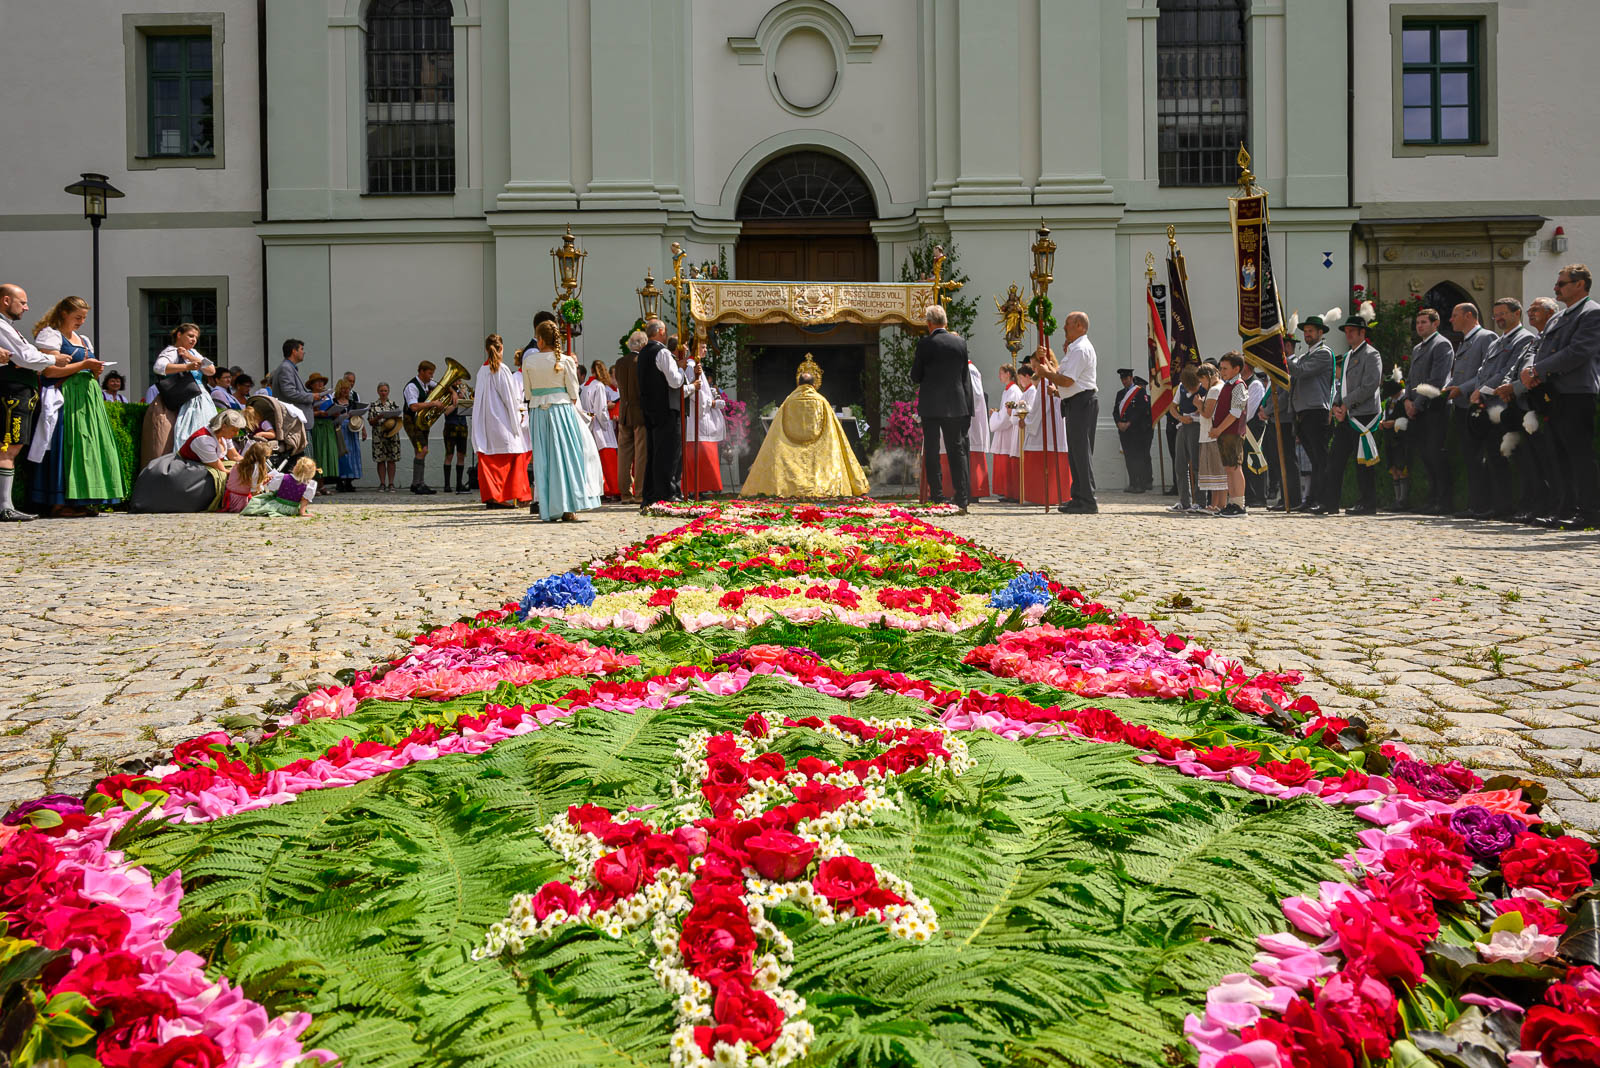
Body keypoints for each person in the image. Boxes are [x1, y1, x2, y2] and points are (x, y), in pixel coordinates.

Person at [27, 296, 121, 518]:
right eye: (77, 317)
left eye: (84, 318)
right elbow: (48, 370)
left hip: (87, 398)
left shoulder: (84, 339)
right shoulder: (50, 335)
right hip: (65, 396)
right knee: (67, 444)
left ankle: (82, 500)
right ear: (63, 314)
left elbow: (84, 367)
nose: (81, 321)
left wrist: (94, 371)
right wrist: (84, 365)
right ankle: (59, 502)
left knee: (86, 448)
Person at [1522, 263, 1600, 530]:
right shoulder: (1559, 317)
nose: (1556, 288)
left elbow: (1579, 352)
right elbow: (1538, 344)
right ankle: (1565, 508)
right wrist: (1528, 369)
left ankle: (1589, 511)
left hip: (1577, 393)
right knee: (1559, 455)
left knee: (1579, 454)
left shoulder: (1592, 313)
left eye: (1562, 283)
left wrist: (1539, 369)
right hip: (1554, 394)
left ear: (1580, 285)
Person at [740, 359, 869, 498]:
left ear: (799, 383)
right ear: (814, 384)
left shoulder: (788, 401)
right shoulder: (822, 401)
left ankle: (787, 489)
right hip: (817, 447)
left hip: (789, 447)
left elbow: (776, 427)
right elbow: (833, 427)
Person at [1, 284, 75, 521]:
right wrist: (52, 358)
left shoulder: (8, 327)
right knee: (8, 448)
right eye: (22, 302)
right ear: (5, 300)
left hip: (19, 392)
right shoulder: (2, 326)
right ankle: (5, 506)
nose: (26, 307)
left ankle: (6, 505)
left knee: (10, 448)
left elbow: (26, 356)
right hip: (12, 392)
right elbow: (25, 357)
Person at [524, 319, 600, 521]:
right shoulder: (565, 361)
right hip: (562, 410)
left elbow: (528, 392)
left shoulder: (529, 361)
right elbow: (574, 393)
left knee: (545, 460)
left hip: (539, 412)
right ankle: (569, 507)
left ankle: (548, 508)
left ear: (539, 340)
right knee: (566, 458)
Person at [1468, 298, 1536, 519]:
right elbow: (1483, 370)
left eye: (1503, 314)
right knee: (1494, 458)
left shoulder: (1524, 338)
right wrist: (1478, 390)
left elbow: (1507, 370)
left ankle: (1521, 506)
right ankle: (1499, 506)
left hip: (1506, 406)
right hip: (1488, 406)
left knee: (1516, 459)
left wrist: (1483, 390)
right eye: (1495, 314)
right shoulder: (1496, 342)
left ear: (1517, 314)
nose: (1498, 318)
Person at [1497, 297, 1559, 523]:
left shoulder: (1548, 338)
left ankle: (1550, 506)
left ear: (1551, 313)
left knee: (1547, 460)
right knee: (1528, 460)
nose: (1530, 313)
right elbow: (1515, 368)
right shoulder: (1535, 340)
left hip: (1538, 404)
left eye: (1536, 310)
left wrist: (1512, 387)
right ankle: (1533, 504)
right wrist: (1507, 385)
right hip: (1520, 405)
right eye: (1530, 310)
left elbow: (1536, 372)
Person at [910, 305, 974, 512]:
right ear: (946, 322)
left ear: (929, 323)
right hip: (956, 403)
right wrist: (967, 406)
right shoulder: (960, 342)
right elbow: (965, 375)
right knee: (957, 450)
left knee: (932, 449)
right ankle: (962, 496)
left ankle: (937, 496)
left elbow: (915, 376)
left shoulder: (925, 344)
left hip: (931, 404)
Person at [1034, 311, 1099, 513]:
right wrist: (1046, 362)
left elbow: (1068, 380)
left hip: (1082, 402)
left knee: (1081, 452)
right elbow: (1062, 375)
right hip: (1075, 401)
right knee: (1075, 452)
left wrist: (1046, 373)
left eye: (1068, 324)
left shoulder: (1080, 349)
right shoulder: (1074, 349)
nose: (1064, 328)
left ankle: (1087, 500)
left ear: (1079, 325)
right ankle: (1078, 495)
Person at [1318, 312, 1383, 516]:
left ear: (1362, 333)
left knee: (1363, 462)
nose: (1348, 335)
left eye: (1352, 331)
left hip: (1363, 415)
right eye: (1346, 331)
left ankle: (1368, 502)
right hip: (1346, 415)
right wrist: (1337, 404)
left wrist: (1345, 404)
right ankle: (1330, 503)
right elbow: (1342, 386)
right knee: (1335, 460)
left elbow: (1370, 385)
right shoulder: (1347, 357)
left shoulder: (1372, 355)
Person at [1443, 302, 1494, 517]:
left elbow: (1487, 372)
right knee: (1470, 457)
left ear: (1469, 315)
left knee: (1479, 457)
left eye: (1455, 315)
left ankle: (1482, 505)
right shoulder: (1467, 340)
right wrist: (1450, 387)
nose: (1451, 319)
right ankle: (1474, 504)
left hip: (1477, 404)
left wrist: (1461, 388)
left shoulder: (1486, 337)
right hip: (1463, 405)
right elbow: (1461, 372)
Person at [472, 334, 532, 509]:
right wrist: (517, 421)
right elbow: (510, 399)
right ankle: (511, 495)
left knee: (489, 460)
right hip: (502, 421)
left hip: (486, 422)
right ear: (501, 348)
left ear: (486, 349)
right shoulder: (502, 369)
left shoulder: (482, 371)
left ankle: (492, 497)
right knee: (516, 454)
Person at [1404, 308, 1454, 514]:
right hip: (1417, 408)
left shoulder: (1441, 344)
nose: (1419, 326)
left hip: (1434, 407)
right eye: (1417, 323)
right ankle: (1431, 498)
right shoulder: (1418, 348)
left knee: (1436, 454)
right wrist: (1407, 399)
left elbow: (1437, 379)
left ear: (1435, 324)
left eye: (1424, 322)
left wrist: (1417, 404)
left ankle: (1443, 500)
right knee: (1425, 455)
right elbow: (1410, 378)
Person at [146, 323, 218, 465]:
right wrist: (186, 366)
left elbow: (211, 370)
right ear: (179, 335)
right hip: (186, 398)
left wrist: (190, 358)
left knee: (208, 433)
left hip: (202, 398)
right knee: (189, 433)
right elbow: (159, 367)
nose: (193, 340)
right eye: (190, 336)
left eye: (196, 338)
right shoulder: (172, 351)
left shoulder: (194, 353)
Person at [1288, 315, 1334, 513]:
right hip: (1304, 411)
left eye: (1311, 331)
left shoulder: (1323, 353)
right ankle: (1312, 498)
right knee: (1314, 460)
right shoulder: (1307, 355)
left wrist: (1285, 357)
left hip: (1317, 410)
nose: (1307, 334)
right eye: (1305, 331)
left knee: (1320, 459)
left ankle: (1324, 500)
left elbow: (1300, 371)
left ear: (1320, 333)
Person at [636, 319, 684, 507]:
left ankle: (650, 493)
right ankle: (667, 492)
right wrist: (681, 367)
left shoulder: (643, 353)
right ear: (661, 332)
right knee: (668, 452)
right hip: (665, 408)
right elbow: (674, 381)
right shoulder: (662, 352)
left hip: (649, 408)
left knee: (654, 453)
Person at [1014, 361, 1070, 506]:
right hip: (1049, 423)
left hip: (1046, 426)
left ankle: (1044, 496)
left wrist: (1027, 421)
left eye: (1035, 365)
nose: (1033, 369)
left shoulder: (1046, 381)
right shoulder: (1051, 380)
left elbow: (1040, 407)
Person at [1208, 353, 1249, 517]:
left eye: (1225, 368)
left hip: (1232, 433)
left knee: (1234, 467)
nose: (1221, 371)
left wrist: (1219, 429)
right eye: (1221, 368)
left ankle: (1239, 504)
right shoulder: (1227, 385)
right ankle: (1232, 502)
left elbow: (1235, 412)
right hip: (1224, 433)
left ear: (1236, 368)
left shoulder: (1239, 385)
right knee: (1228, 468)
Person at [682, 355, 727, 496]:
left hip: (704, 419)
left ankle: (703, 488)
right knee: (699, 455)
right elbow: (695, 392)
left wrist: (713, 396)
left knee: (706, 454)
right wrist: (712, 403)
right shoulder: (690, 366)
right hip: (697, 417)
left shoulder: (697, 364)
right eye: (702, 346)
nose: (706, 349)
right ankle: (695, 489)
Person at [402, 360, 447, 495]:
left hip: (421, 422)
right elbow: (413, 406)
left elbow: (442, 386)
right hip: (412, 421)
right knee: (423, 450)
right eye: (429, 373)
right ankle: (419, 483)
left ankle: (416, 483)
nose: (431, 376)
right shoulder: (412, 386)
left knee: (420, 451)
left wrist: (453, 392)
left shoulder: (427, 383)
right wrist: (433, 403)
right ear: (421, 371)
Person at [613, 330, 648, 504]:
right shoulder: (641, 361)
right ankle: (640, 492)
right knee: (641, 454)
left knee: (624, 455)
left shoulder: (620, 362)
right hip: (640, 412)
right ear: (642, 344)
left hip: (624, 411)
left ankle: (625, 493)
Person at [581, 358, 620, 500]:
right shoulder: (599, 386)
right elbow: (601, 410)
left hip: (589, 424)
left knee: (594, 462)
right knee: (609, 461)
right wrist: (606, 422)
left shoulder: (585, 385)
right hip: (600, 427)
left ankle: (601, 489)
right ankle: (615, 489)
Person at [1113, 367, 1154, 493]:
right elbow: (1115, 411)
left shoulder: (1140, 392)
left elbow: (1141, 410)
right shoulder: (1120, 394)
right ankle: (1132, 482)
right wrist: (1118, 422)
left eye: (1126, 378)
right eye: (1122, 379)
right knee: (1129, 458)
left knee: (1138, 457)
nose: (1124, 381)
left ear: (1131, 378)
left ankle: (1141, 484)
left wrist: (1129, 422)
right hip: (1125, 432)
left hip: (1137, 430)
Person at [1167, 365, 1202, 513]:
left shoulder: (1204, 388)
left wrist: (1198, 410)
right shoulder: (1181, 387)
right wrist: (1180, 417)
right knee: (1180, 464)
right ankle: (1184, 501)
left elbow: (1208, 408)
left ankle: (1200, 500)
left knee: (1197, 465)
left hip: (1198, 426)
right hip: (1182, 426)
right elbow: (1172, 407)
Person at [1194, 363, 1226, 513]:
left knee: (1217, 472)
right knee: (1214, 474)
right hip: (1209, 435)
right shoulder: (1217, 388)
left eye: (1202, 380)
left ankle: (1218, 505)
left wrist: (1199, 405)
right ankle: (1214, 504)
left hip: (1211, 436)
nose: (1202, 384)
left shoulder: (1214, 390)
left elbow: (1207, 413)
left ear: (1209, 376)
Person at [241, 456, 319, 517]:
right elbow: (304, 500)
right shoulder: (309, 485)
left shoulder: (283, 477)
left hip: (276, 506)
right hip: (292, 509)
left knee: (257, 502)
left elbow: (272, 490)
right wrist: (302, 512)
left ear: (296, 467)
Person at [988, 364, 1021, 502]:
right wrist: (997, 414)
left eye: (1001, 373)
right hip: (1004, 429)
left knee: (1008, 461)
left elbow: (1008, 414)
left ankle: (1011, 492)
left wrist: (995, 417)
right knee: (1003, 460)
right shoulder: (1007, 390)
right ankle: (1005, 491)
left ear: (1008, 373)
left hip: (1008, 430)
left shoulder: (1013, 390)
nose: (999, 376)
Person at [1378, 376, 1411, 512]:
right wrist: (1383, 423)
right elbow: (1386, 416)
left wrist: (1395, 422)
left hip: (1400, 438)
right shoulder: (1389, 401)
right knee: (1393, 469)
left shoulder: (1404, 400)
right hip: (1389, 438)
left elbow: (1407, 418)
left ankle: (1403, 500)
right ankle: (1397, 499)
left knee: (1402, 467)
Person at [270, 338, 320, 428]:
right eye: (301, 349)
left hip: (295, 423)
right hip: (293, 424)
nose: (304, 352)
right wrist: (311, 396)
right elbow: (290, 393)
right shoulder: (286, 368)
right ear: (294, 351)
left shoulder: (288, 367)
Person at [307, 373, 344, 490]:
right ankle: (315, 485)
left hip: (329, 426)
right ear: (312, 385)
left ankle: (322, 484)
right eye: (317, 382)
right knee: (319, 453)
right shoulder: (309, 397)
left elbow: (332, 408)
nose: (320, 384)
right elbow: (306, 413)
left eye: (321, 382)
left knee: (328, 454)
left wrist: (336, 412)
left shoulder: (328, 397)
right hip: (318, 426)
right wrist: (318, 413)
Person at [367, 382, 402, 492]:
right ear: (378, 392)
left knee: (391, 460)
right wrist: (378, 418)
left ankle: (391, 483)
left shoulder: (393, 404)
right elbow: (370, 422)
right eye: (381, 390)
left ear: (388, 392)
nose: (383, 393)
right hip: (379, 435)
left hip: (392, 434)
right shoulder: (373, 405)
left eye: (385, 391)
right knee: (380, 460)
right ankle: (382, 483)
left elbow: (398, 418)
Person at [441, 374, 473, 493]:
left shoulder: (463, 391)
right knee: (449, 455)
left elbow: (469, 407)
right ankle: (447, 485)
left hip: (462, 426)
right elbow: (446, 412)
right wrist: (456, 402)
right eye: (457, 380)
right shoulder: (446, 394)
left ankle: (459, 483)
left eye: (460, 380)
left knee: (461, 455)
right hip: (451, 426)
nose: (459, 383)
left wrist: (466, 398)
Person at [222, 440, 274, 513]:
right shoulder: (256, 468)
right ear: (263, 458)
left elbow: (244, 484)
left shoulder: (239, 463)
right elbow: (254, 493)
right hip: (242, 502)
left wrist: (262, 481)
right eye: (267, 457)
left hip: (230, 499)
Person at [335, 377, 365, 492]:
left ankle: (349, 480)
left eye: (347, 389)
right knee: (342, 454)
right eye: (343, 389)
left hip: (352, 429)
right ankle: (340, 480)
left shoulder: (352, 403)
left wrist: (363, 430)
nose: (346, 391)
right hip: (340, 429)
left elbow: (359, 416)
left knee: (353, 454)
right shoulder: (335, 402)